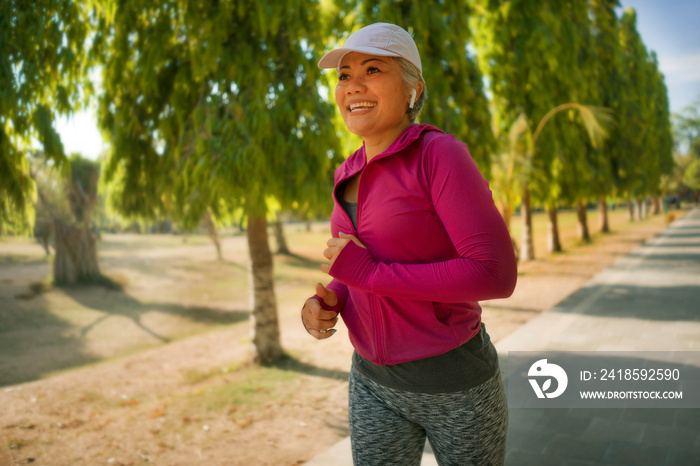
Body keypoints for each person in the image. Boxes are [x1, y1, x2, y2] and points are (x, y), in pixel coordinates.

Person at [301, 22, 517, 466]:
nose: (352, 86)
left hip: (456, 384)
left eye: (372, 69)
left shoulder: (440, 155)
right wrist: (328, 302)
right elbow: (351, 268)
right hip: (371, 382)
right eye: (343, 75)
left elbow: (494, 274)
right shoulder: (346, 173)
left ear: (413, 88)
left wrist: (370, 276)